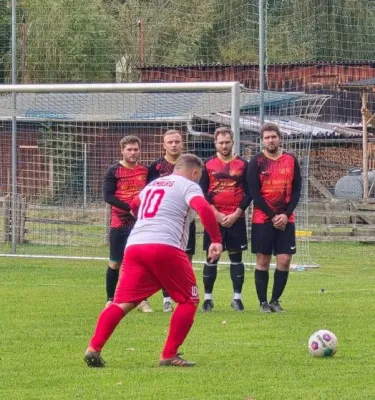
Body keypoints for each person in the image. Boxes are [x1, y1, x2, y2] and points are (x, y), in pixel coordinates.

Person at [84, 154, 223, 368]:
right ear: (195, 173)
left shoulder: (154, 184)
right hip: (165, 246)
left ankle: (93, 348)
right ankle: (169, 355)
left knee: (122, 302)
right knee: (189, 300)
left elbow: (133, 205)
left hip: (135, 246)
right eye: (199, 176)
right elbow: (203, 208)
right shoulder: (188, 185)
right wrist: (215, 239)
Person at [247, 122, 302, 313]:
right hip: (263, 219)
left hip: (287, 219)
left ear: (280, 138)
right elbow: (254, 193)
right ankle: (263, 303)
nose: (271, 140)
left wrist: (285, 215)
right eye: (267, 137)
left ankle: (275, 300)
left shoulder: (291, 160)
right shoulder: (256, 161)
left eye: (274, 137)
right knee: (263, 260)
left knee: (285, 259)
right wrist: (273, 216)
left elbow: (296, 191)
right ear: (262, 140)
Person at [200, 127, 251, 312]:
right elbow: (203, 192)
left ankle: (237, 298)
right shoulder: (207, 165)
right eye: (220, 142)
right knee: (212, 257)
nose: (224, 145)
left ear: (233, 142)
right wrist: (216, 214)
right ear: (215, 143)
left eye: (227, 142)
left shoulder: (243, 165)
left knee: (236, 258)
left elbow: (249, 192)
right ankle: (208, 299)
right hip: (214, 219)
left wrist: (237, 213)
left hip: (236, 218)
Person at [148, 129, 196, 313]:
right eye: (170, 142)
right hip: (165, 224)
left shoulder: (190, 164)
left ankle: (183, 296)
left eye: (177, 141)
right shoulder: (156, 167)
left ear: (182, 143)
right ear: (164, 145)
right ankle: (167, 299)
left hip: (186, 220)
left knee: (186, 259)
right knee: (165, 261)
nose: (174, 144)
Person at [103, 135, 149, 309]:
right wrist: (129, 208)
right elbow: (108, 196)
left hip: (141, 223)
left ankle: (141, 300)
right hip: (119, 223)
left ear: (139, 150)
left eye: (135, 149)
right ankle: (110, 299)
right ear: (122, 150)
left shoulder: (145, 171)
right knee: (115, 262)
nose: (132, 152)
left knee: (141, 262)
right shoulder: (114, 171)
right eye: (129, 149)